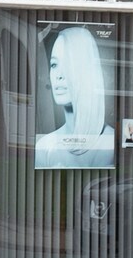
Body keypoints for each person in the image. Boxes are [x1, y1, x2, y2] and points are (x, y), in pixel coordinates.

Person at [35, 26, 115, 169]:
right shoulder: (45, 146)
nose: (59, 75)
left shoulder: (108, 142)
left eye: (68, 64)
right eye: (54, 64)